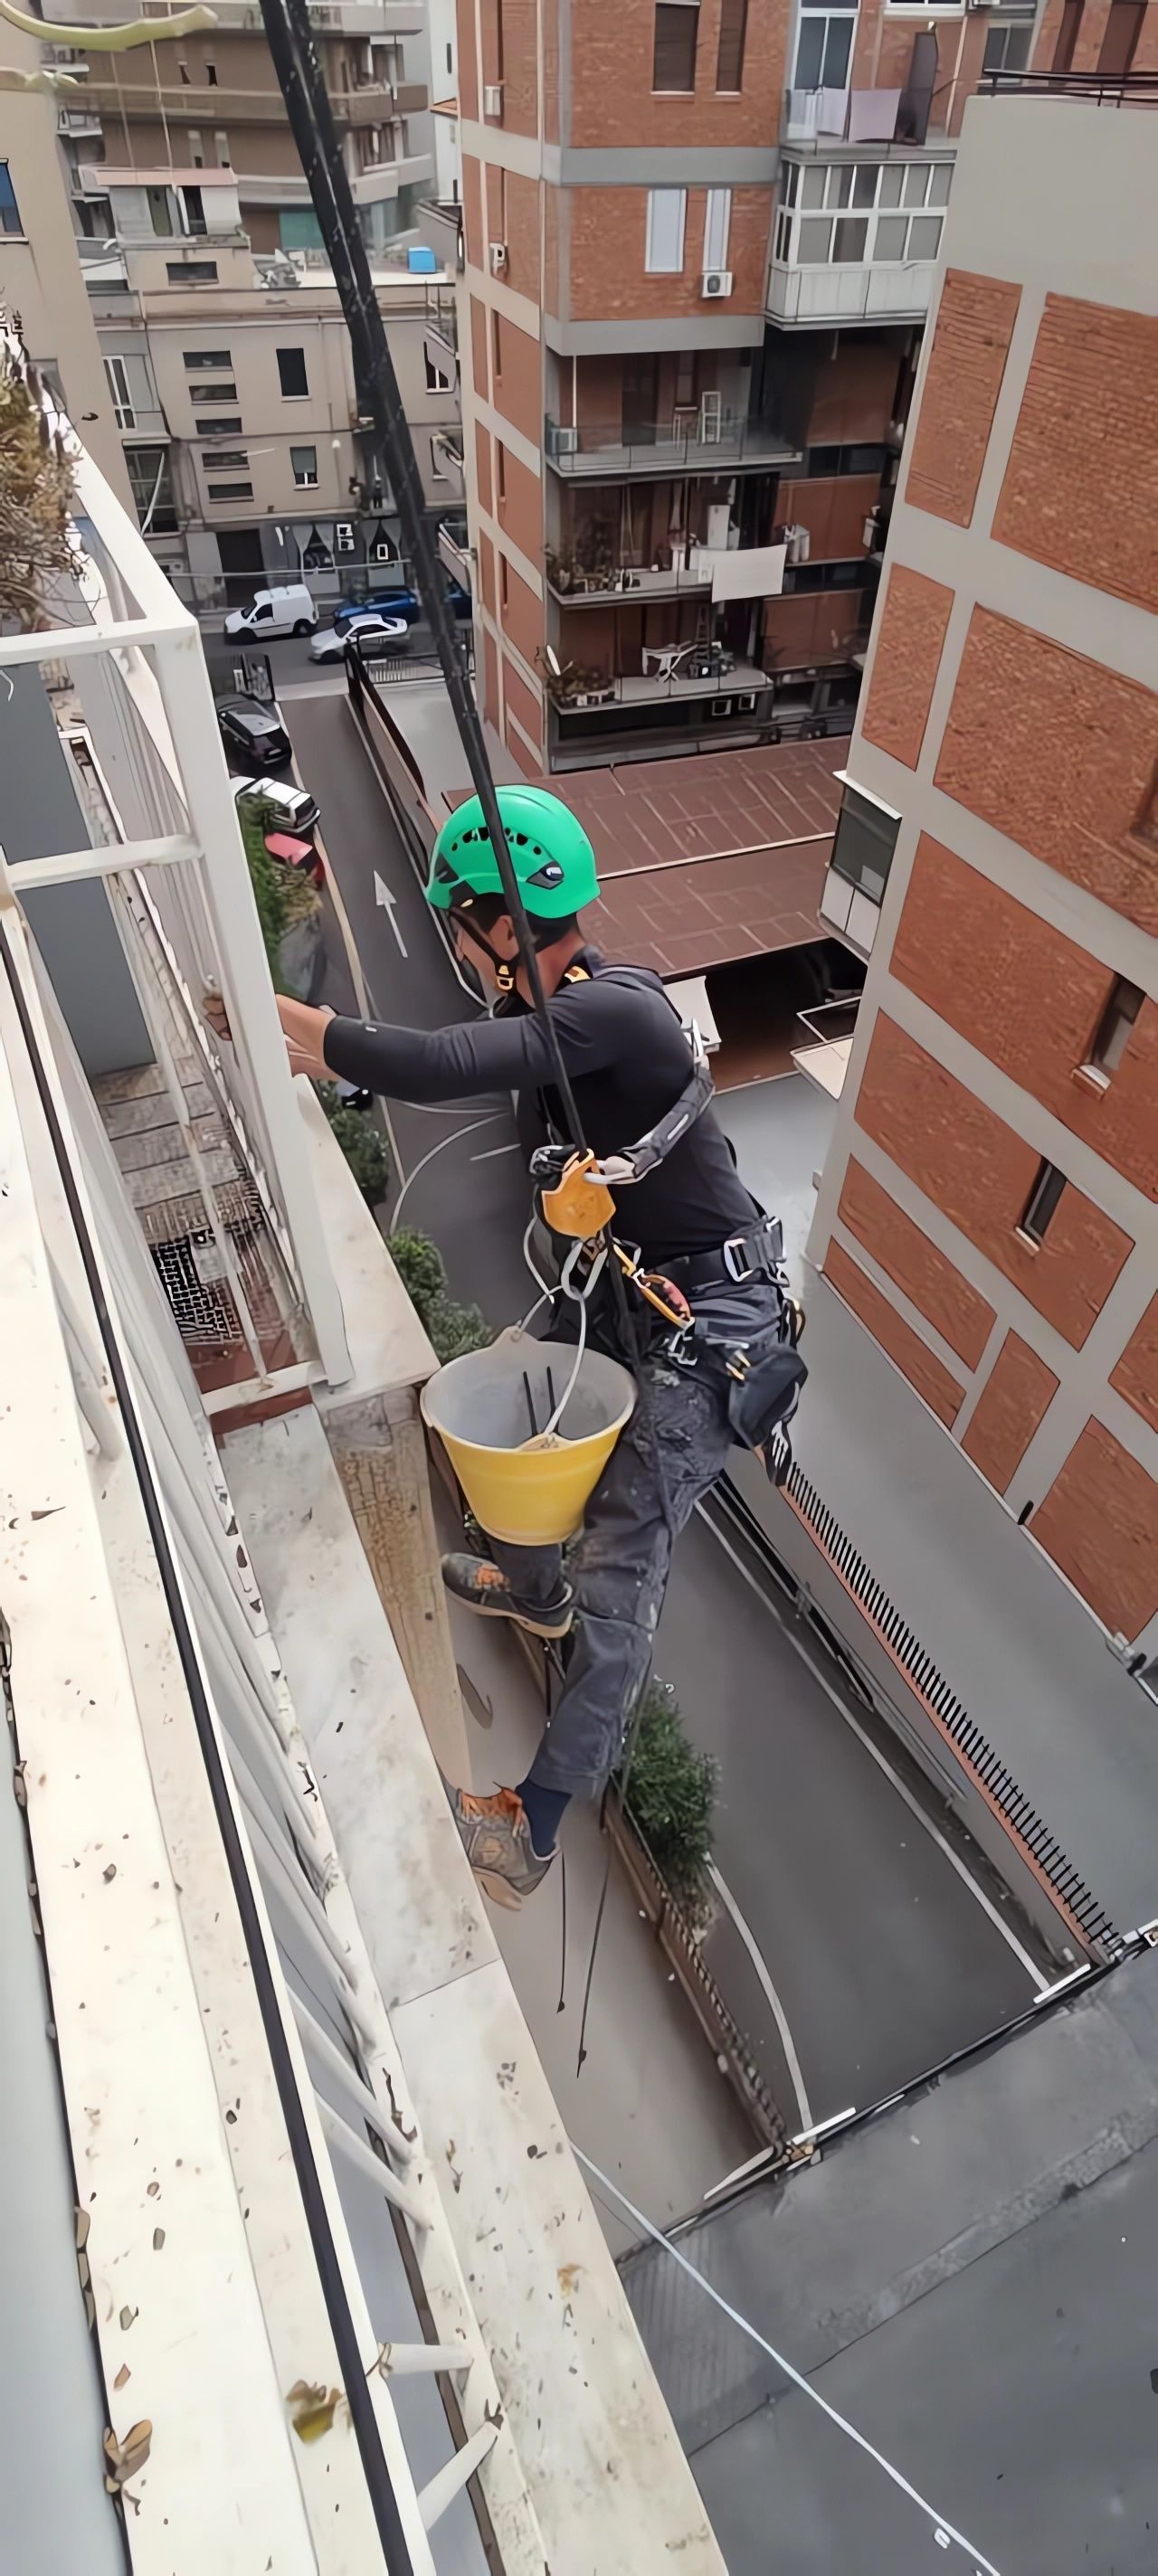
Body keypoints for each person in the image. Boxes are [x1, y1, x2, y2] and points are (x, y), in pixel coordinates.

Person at [262, 785, 804, 1908]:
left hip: (711, 1330)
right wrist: (310, 1057)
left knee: (622, 1564)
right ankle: (528, 1581)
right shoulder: (556, 1035)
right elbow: (406, 1068)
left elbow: (433, 1062)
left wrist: (263, 1010)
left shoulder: (613, 1014)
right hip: (637, 1296)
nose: (459, 946)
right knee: (514, 1387)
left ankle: (532, 1827)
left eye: (463, 921)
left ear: (504, 926)